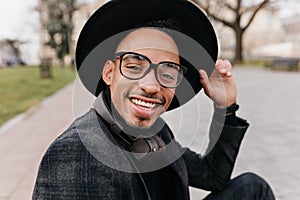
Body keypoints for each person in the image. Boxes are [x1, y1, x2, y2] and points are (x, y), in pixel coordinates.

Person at [33, 0, 275, 199]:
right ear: (108, 73)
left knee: (252, 189)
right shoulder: (77, 154)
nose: (151, 86)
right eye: (135, 67)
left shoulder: (153, 132)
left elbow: (213, 176)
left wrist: (225, 108)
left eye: (167, 73)